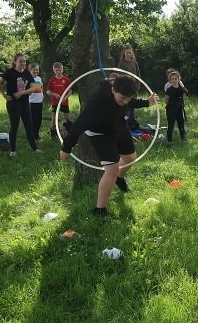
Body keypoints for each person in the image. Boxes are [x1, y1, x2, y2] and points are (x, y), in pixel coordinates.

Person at [59, 75, 158, 218]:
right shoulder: (97, 102)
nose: (125, 102)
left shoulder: (123, 94)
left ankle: (119, 177)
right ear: (113, 90)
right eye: (122, 98)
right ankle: (100, 210)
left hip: (118, 124)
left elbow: (129, 101)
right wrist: (67, 147)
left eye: (128, 98)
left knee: (130, 158)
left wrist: (147, 102)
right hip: (99, 132)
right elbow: (80, 124)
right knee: (112, 168)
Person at [0, 53, 40, 156]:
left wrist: (21, 93)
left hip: (25, 103)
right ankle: (13, 151)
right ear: (15, 62)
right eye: (20, 61)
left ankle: (35, 149)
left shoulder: (26, 72)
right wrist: (4, 95)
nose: (23, 63)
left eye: (24, 61)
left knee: (29, 126)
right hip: (13, 103)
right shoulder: (9, 72)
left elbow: (34, 88)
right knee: (14, 126)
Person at [117, 44, 141, 129]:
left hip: (134, 87)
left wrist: (137, 85)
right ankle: (125, 121)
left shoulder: (134, 63)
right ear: (124, 53)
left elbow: (138, 74)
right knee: (125, 104)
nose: (129, 54)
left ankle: (131, 120)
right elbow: (120, 75)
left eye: (130, 53)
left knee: (133, 104)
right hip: (126, 87)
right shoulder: (122, 63)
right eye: (127, 53)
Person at [46, 62, 71, 138]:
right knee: (54, 118)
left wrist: (65, 97)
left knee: (67, 118)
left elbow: (70, 91)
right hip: (55, 102)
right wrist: (54, 94)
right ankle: (53, 134)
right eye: (56, 70)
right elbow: (48, 91)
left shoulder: (66, 79)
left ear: (62, 69)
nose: (58, 72)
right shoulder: (52, 80)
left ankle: (69, 133)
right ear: (54, 70)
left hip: (64, 102)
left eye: (60, 70)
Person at [164, 70, 187, 142]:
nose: (174, 80)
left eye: (175, 78)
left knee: (181, 124)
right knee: (171, 125)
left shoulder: (181, 88)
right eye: (172, 79)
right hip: (171, 109)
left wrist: (181, 104)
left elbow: (183, 96)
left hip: (179, 109)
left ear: (178, 79)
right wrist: (171, 105)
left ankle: (183, 139)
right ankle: (170, 141)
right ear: (170, 80)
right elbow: (166, 100)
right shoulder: (169, 90)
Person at [28, 62, 44, 141]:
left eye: (37, 69)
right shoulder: (28, 79)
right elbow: (28, 91)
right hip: (32, 102)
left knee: (39, 118)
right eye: (34, 70)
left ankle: (36, 133)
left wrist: (42, 95)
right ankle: (33, 135)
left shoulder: (39, 78)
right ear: (30, 70)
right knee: (33, 119)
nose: (36, 71)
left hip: (39, 102)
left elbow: (41, 87)